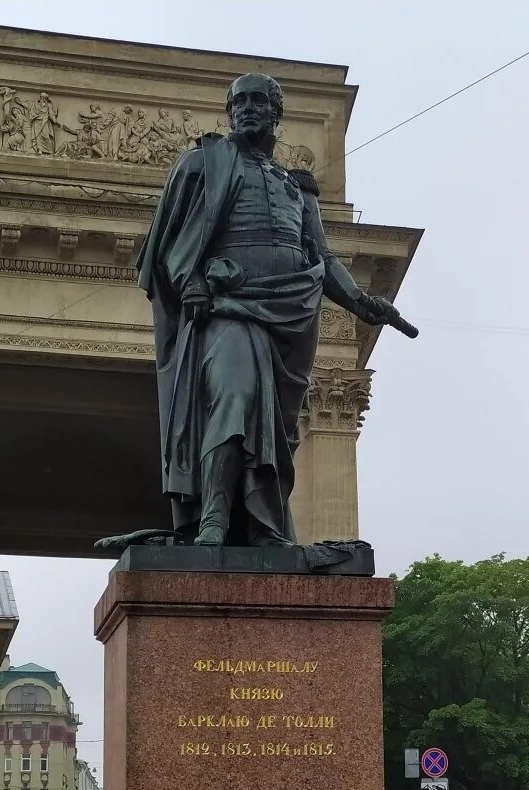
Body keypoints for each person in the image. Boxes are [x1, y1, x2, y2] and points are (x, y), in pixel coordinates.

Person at [137, 72, 406, 547]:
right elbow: (166, 245)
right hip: (229, 305)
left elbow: (320, 257)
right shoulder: (203, 164)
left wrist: (362, 302)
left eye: (258, 101)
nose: (247, 109)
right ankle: (214, 519)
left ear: (277, 113)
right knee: (235, 394)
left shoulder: (296, 187)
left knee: (277, 431)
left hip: (291, 313)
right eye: (239, 102)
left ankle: (265, 528)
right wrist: (191, 280)